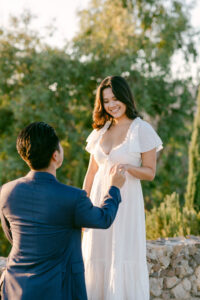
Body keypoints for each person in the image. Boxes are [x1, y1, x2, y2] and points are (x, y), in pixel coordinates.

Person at [0, 121, 126, 300]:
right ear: (55, 156)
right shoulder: (73, 197)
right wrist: (114, 188)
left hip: (15, 287)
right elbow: (103, 219)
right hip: (59, 289)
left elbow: (13, 236)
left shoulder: (6, 192)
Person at [82, 76, 163, 299]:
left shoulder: (141, 129)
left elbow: (150, 172)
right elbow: (90, 174)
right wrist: (82, 207)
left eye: (115, 98)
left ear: (126, 97)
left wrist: (128, 168)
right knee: (96, 256)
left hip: (125, 204)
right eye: (106, 101)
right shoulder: (100, 131)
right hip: (98, 204)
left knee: (121, 255)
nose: (111, 105)